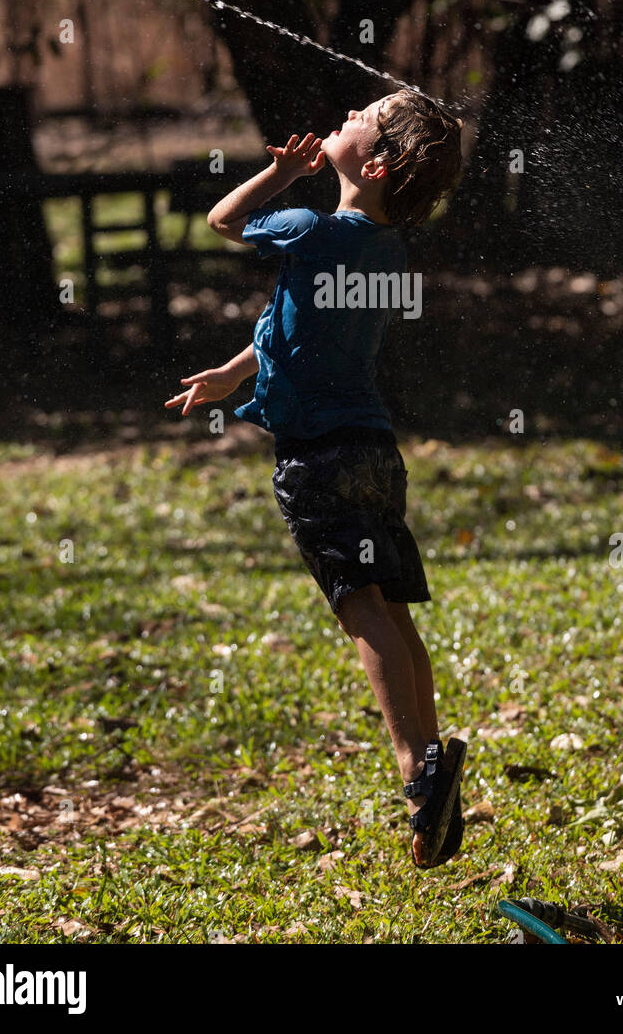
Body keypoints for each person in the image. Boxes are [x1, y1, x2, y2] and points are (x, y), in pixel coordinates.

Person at [166, 89, 465, 866]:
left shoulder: (308, 226)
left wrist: (281, 175)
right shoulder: (384, 249)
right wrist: (237, 374)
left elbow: (222, 222)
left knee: (358, 606)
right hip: (372, 449)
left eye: (359, 115)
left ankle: (415, 769)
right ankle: (432, 757)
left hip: (316, 459)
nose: (341, 118)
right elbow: (301, 327)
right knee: (392, 609)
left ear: (373, 162)